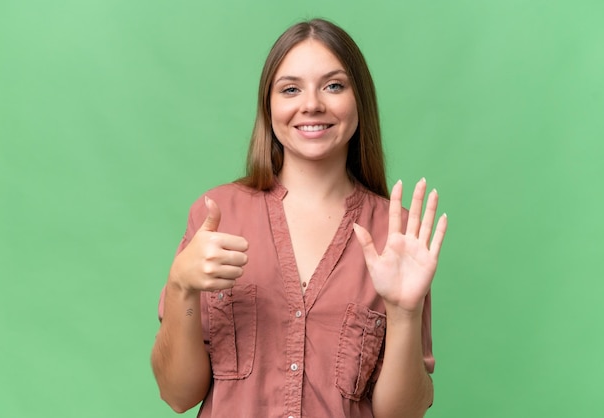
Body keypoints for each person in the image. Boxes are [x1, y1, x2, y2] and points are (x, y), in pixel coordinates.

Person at [151, 18, 447, 418]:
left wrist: (406, 313)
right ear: (268, 106)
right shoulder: (217, 216)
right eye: (291, 89)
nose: (312, 104)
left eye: (334, 85)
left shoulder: (395, 236)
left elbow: (402, 414)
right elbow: (177, 395)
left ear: (360, 100)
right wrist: (181, 287)